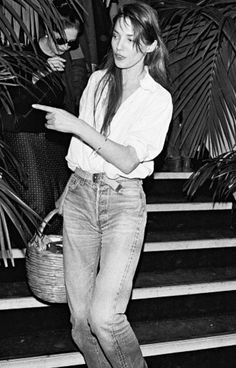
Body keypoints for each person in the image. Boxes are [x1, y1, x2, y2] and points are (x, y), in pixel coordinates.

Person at [33, 2, 173, 367]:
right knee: (80, 323)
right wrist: (65, 196)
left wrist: (75, 125)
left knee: (105, 318)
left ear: (150, 46)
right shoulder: (96, 82)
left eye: (132, 39)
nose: (120, 46)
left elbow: (127, 159)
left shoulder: (157, 99)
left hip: (121, 202)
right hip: (80, 196)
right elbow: (81, 153)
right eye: (116, 36)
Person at [2, 1, 84, 235]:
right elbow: (12, 102)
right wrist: (41, 72)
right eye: (60, 40)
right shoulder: (22, 56)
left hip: (53, 137)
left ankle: (50, 265)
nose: (65, 47)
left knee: (59, 203)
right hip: (22, 134)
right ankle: (33, 260)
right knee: (36, 201)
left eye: (72, 42)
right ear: (47, 30)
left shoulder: (69, 63)